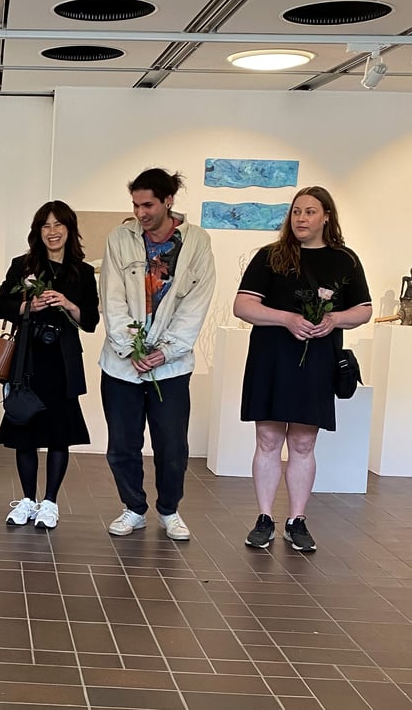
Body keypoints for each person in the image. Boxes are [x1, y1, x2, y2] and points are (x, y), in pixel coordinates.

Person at [234, 186, 371, 552]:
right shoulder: (270, 256)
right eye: (296, 211)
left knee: (303, 441)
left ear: (326, 216)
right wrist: (287, 319)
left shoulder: (345, 260)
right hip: (271, 357)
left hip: (317, 360)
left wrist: (335, 319)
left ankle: (297, 520)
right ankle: (264, 518)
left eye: (310, 211)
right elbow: (243, 306)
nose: (301, 218)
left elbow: (364, 310)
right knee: (267, 440)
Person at [99, 168, 215, 541]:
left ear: (168, 200)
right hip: (122, 366)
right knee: (122, 445)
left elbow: (196, 304)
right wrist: (128, 346)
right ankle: (133, 508)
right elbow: (111, 297)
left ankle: (169, 510)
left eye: (148, 205)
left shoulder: (197, 242)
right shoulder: (120, 239)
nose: (140, 213)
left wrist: (167, 351)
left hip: (171, 368)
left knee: (172, 446)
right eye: (135, 205)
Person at [0, 202, 99, 530]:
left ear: (69, 229)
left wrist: (68, 303)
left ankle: (50, 502)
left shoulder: (82, 272)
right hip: (28, 360)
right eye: (45, 226)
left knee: (58, 435)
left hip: (62, 363)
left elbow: (91, 321)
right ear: (38, 231)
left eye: (58, 225)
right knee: (24, 432)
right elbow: (1, 306)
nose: (52, 232)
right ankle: (27, 500)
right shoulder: (23, 265)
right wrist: (29, 304)